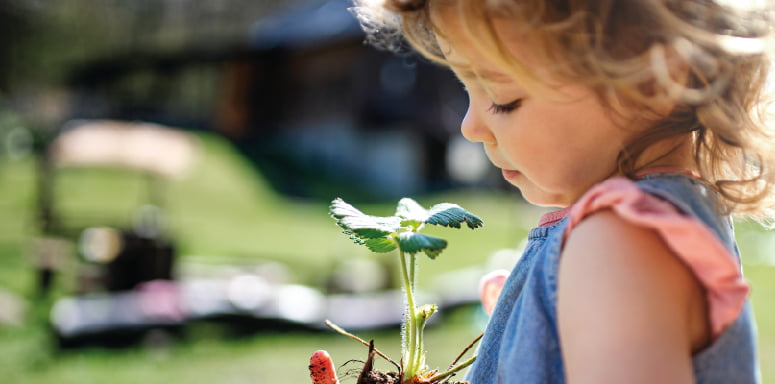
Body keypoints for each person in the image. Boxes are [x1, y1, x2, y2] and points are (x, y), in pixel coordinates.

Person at [311, 0, 775, 382]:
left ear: (651, 77)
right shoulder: (651, 225)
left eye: (503, 99)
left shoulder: (621, 245)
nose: (470, 127)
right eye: (465, 91)